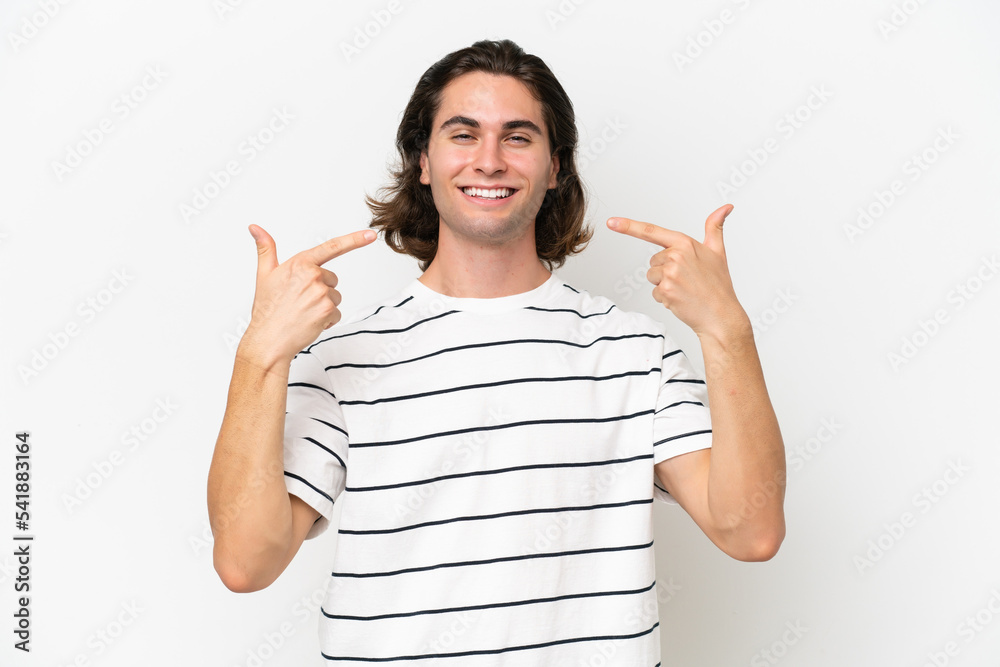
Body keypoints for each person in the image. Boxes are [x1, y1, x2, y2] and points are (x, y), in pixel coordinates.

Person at [207, 39, 785, 665]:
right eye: (462, 134)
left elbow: (750, 532)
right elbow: (245, 562)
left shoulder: (634, 352)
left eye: (517, 137)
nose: (489, 161)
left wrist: (727, 329)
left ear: (555, 166)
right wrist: (260, 355)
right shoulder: (348, 358)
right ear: (422, 161)